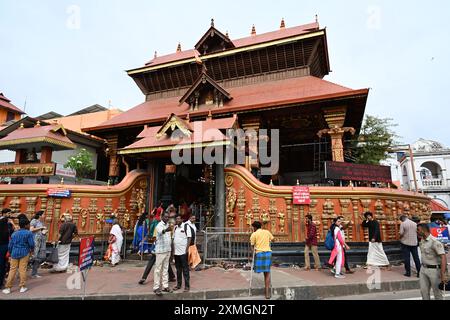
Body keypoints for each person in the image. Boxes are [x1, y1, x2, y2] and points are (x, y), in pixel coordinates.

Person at [2, 217, 34, 294]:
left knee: (12, 270)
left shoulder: (14, 233)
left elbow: (10, 245)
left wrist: (10, 253)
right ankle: (22, 286)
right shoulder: (28, 233)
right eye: (28, 224)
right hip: (24, 252)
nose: (29, 225)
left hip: (14, 253)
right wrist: (31, 250)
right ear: (26, 225)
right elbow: (32, 244)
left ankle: (8, 288)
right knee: (22, 270)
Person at [417, 223, 448, 300]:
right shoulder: (422, 240)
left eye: (418, 230)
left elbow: (443, 257)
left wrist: (443, 274)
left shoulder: (435, 242)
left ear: (424, 231)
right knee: (423, 292)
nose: (416, 231)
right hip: (423, 269)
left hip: (434, 270)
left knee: (437, 293)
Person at [250, 221, 274, 299]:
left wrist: (252, 253)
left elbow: (252, 246)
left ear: (255, 227)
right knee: (267, 273)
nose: (252, 229)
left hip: (259, 253)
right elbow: (273, 240)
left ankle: (267, 292)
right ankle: (267, 293)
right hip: (267, 253)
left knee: (262, 272)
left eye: (253, 227)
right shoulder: (267, 232)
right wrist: (269, 240)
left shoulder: (254, 234)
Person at [153, 212, 173, 296]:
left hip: (167, 250)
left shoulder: (168, 225)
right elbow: (161, 232)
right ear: (162, 217)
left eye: (168, 217)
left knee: (165, 269)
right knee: (158, 269)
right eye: (165, 217)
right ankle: (156, 287)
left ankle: (165, 286)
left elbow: (170, 237)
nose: (166, 218)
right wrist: (166, 230)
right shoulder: (159, 225)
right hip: (160, 251)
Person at [138, 212, 159, 285]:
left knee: (166, 264)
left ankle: (171, 276)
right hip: (157, 247)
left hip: (164, 249)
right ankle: (144, 277)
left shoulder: (157, 223)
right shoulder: (157, 225)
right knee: (151, 262)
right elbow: (154, 236)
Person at [172, 215, 191, 292]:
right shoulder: (175, 227)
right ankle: (178, 285)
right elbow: (173, 239)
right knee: (178, 269)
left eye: (179, 219)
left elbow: (189, 238)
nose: (177, 220)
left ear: (182, 219)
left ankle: (187, 286)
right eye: (176, 219)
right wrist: (173, 251)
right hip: (176, 252)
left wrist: (186, 249)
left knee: (185, 269)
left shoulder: (186, 227)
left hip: (183, 252)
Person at [30, 211, 48, 278]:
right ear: (40, 215)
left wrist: (44, 231)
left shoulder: (41, 222)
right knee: (35, 256)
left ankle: (34, 273)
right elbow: (31, 230)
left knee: (39, 257)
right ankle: (32, 271)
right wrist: (41, 228)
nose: (44, 215)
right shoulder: (34, 221)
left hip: (41, 240)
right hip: (35, 241)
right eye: (43, 214)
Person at [0, 209, 15, 289]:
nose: (10, 215)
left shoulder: (8, 223)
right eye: (8, 213)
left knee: (4, 264)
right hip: (3, 245)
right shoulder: (6, 222)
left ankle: (2, 281)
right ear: (4, 214)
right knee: (2, 264)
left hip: (5, 244)